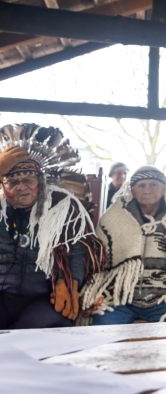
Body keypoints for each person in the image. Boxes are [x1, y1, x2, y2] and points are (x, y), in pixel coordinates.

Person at [0, 124, 104, 329]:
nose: (21, 186)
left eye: (28, 180)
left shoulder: (61, 208)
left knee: (30, 334)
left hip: (45, 297)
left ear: (41, 182)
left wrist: (70, 282)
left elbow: (76, 251)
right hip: (4, 295)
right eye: (13, 182)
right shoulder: (2, 210)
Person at [83, 166, 166, 324]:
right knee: (101, 329)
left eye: (153, 184)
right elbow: (97, 262)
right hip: (119, 297)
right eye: (141, 185)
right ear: (132, 190)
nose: (147, 190)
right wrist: (96, 291)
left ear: (164, 188)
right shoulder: (112, 218)